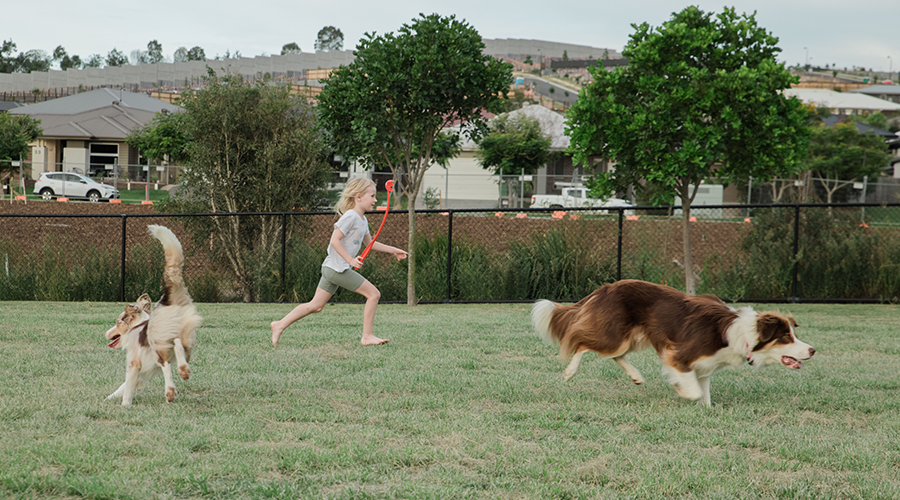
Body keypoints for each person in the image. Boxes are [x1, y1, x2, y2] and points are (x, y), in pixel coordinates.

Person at [271, 178, 407, 347]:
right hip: (337, 269)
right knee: (374, 294)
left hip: (332, 268)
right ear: (358, 197)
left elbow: (370, 243)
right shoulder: (350, 216)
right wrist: (350, 260)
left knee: (316, 306)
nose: (375, 200)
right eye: (372, 196)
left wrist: (394, 250)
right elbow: (335, 240)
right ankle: (367, 336)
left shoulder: (362, 220)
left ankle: (279, 325)